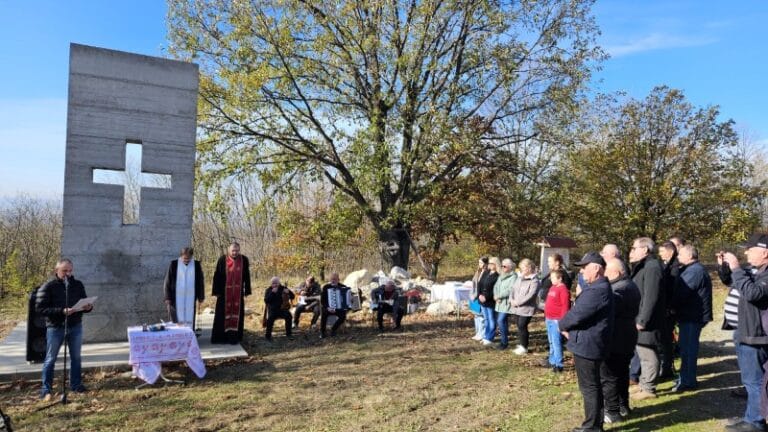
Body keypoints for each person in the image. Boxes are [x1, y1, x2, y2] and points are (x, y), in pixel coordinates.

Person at [559, 252, 614, 432]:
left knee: (590, 386)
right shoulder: (597, 288)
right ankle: (594, 424)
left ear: (597, 268)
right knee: (591, 385)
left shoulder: (597, 290)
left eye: (584, 267)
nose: (581, 271)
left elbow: (577, 314)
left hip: (588, 345)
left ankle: (592, 426)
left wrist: (562, 325)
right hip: (588, 342)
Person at [723, 234, 768, 432]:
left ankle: (755, 422)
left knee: (754, 381)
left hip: (755, 334)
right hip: (746, 331)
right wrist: (727, 268)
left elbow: (752, 293)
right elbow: (732, 283)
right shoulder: (757, 270)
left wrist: (735, 267)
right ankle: (752, 417)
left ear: (765, 252)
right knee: (752, 380)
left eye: (750, 249)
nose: (746, 252)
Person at [36, 258, 94, 400]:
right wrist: (61, 311)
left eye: (70, 270)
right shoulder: (48, 286)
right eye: (64, 271)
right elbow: (40, 308)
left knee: (76, 358)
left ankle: (76, 385)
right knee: (50, 358)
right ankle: (46, 389)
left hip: (75, 326)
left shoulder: (77, 285)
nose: (68, 273)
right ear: (56, 271)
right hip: (56, 328)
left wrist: (88, 307)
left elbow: (84, 302)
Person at [601, 258, 641, 424]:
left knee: (610, 375)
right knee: (622, 373)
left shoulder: (620, 288)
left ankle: (612, 411)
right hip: (626, 335)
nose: (603, 275)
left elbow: (608, 310)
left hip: (618, 337)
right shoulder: (628, 285)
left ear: (616, 273)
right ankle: (623, 406)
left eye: (607, 272)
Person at [670, 245, 712, 392]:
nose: (678, 257)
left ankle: (688, 381)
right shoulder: (690, 269)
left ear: (689, 256)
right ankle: (685, 378)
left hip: (692, 316)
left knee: (688, 350)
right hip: (689, 315)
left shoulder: (694, 271)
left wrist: (671, 305)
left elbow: (682, 293)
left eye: (680, 254)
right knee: (685, 348)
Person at [629, 237, 665, 400]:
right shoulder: (646, 265)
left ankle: (649, 388)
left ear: (644, 249)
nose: (632, 251)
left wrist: (642, 320)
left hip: (647, 319)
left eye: (634, 248)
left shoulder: (652, 266)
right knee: (642, 351)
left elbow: (651, 296)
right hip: (640, 316)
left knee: (648, 352)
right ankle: (644, 384)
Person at [211, 242, 252, 344]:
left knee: (236, 315)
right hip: (224, 293)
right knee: (222, 315)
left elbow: (247, 275)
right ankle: (221, 338)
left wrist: (247, 289)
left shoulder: (244, 260)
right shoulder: (222, 260)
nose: (235, 252)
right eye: (233, 250)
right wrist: (216, 291)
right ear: (229, 250)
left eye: (237, 250)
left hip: (238, 293)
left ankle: (234, 338)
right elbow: (217, 276)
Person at [163, 247, 205, 328]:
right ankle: (176, 337)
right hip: (175, 298)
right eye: (185, 258)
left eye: (189, 258)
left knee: (189, 318)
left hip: (190, 297)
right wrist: (167, 297)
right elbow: (167, 281)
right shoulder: (174, 264)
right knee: (176, 319)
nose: (187, 260)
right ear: (181, 256)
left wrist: (201, 296)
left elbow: (200, 282)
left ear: (192, 256)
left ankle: (189, 336)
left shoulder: (196, 265)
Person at [658, 240, 680, 379]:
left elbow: (674, 289)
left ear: (670, 251)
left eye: (662, 251)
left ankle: (667, 368)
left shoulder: (675, 267)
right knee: (664, 340)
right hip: (665, 308)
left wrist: (670, 307)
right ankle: (665, 366)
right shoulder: (665, 265)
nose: (660, 254)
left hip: (669, 309)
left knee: (666, 340)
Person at [508, 258, 540, 355]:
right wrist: (511, 300)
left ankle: (524, 347)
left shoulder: (534, 280)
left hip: (526, 308)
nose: (522, 270)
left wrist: (518, 302)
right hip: (516, 307)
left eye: (523, 268)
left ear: (529, 268)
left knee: (522, 325)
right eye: (521, 268)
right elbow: (513, 290)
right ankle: (521, 344)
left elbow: (531, 294)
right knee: (519, 326)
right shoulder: (519, 278)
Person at [544, 269, 571, 371]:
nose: (551, 280)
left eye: (553, 278)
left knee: (556, 342)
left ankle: (559, 364)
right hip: (549, 318)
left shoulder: (563, 290)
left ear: (560, 278)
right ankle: (552, 360)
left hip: (556, 320)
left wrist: (562, 321)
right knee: (551, 341)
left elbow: (565, 307)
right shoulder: (553, 287)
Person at [492, 258, 518, 350]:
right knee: (503, 322)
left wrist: (499, 296)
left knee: (500, 321)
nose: (502, 267)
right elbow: (496, 286)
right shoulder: (501, 275)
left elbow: (511, 289)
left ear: (510, 267)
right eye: (502, 266)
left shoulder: (514, 276)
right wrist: (495, 296)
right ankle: (504, 339)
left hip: (506, 303)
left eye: (505, 266)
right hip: (499, 303)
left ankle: (504, 342)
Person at [320, 273, 352, 338]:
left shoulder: (343, 287)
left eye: (334, 279)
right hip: (328, 307)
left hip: (339, 308)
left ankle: (333, 329)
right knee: (323, 315)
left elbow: (348, 298)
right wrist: (328, 307)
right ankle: (323, 332)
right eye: (331, 279)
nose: (333, 281)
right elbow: (322, 301)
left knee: (343, 316)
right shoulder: (326, 287)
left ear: (338, 280)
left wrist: (350, 299)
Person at [478, 257, 501, 346]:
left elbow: (496, 289)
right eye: (489, 263)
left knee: (492, 320)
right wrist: (479, 294)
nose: (490, 265)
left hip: (490, 301)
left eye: (492, 263)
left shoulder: (498, 276)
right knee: (486, 319)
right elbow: (480, 284)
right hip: (482, 300)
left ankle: (490, 338)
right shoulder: (486, 272)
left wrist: (486, 297)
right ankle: (486, 336)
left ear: (496, 265)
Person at [264, 277, 295, 341]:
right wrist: (272, 293)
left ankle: (289, 334)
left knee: (289, 316)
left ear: (279, 283)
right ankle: (268, 335)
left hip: (282, 309)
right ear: (271, 284)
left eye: (276, 283)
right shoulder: (269, 290)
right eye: (273, 283)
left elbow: (293, 296)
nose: (274, 285)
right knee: (270, 319)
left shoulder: (283, 288)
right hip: (273, 310)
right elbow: (266, 300)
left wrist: (288, 292)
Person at [470, 257, 489, 341]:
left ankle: (482, 333)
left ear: (485, 264)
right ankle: (478, 333)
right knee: (476, 316)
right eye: (479, 263)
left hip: (480, 296)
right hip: (474, 297)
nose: (479, 264)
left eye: (481, 263)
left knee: (481, 316)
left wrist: (478, 295)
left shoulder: (487, 272)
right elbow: (474, 284)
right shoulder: (478, 272)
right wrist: (472, 294)